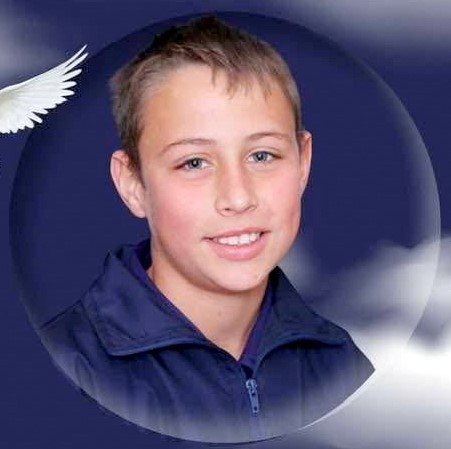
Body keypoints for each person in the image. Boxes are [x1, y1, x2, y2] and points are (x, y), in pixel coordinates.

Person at [40, 15, 374, 443]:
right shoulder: (61, 373)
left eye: (263, 156)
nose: (238, 197)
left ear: (303, 163)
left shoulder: (341, 364)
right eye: (194, 162)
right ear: (133, 185)